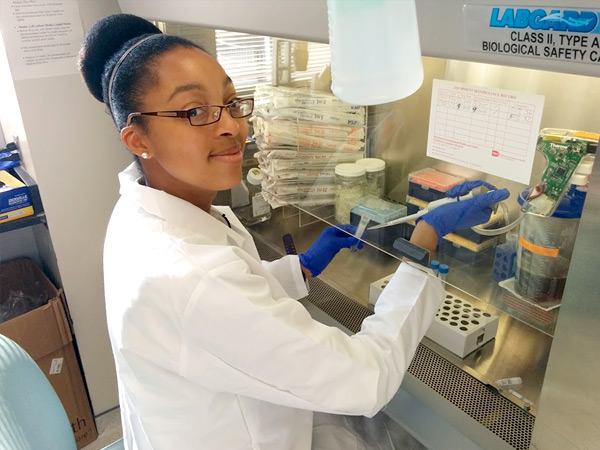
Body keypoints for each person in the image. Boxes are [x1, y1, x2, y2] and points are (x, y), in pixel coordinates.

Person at [78, 14, 509, 450]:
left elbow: (225, 307)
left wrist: (299, 267)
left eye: (229, 102)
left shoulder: (139, 207)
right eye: (194, 112)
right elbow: (367, 380)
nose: (230, 125)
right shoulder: (192, 278)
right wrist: (423, 249)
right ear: (137, 139)